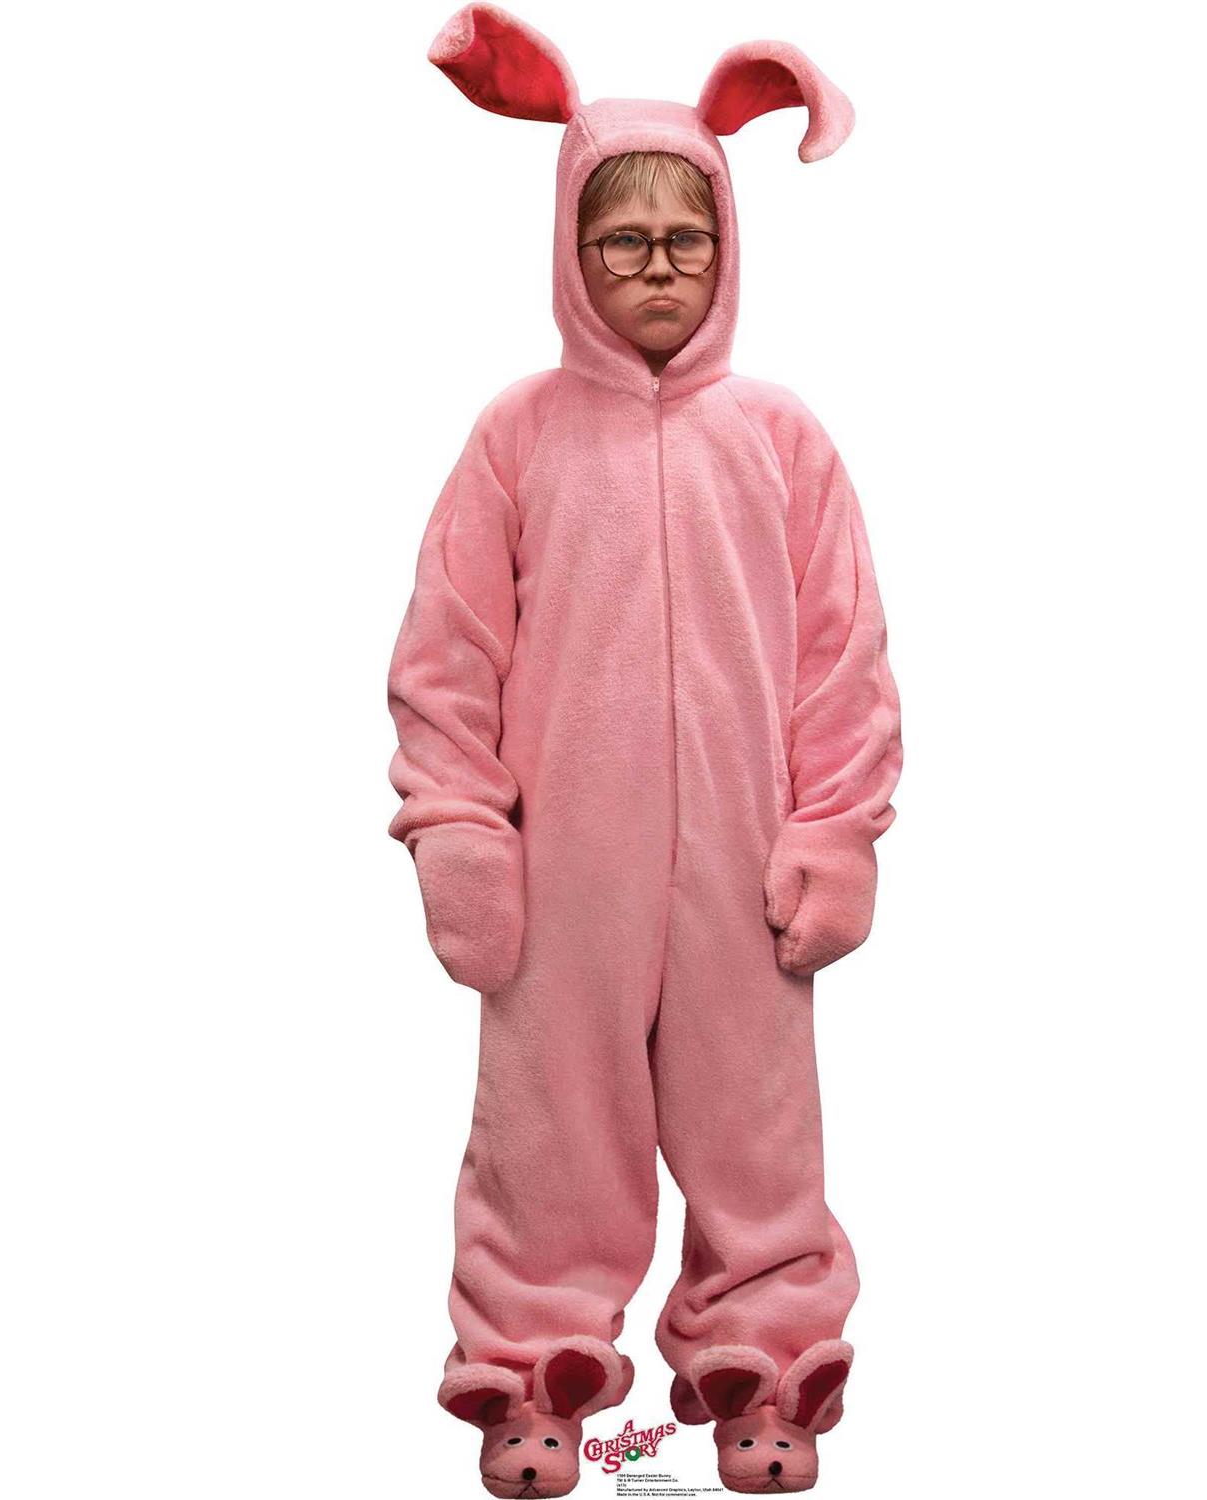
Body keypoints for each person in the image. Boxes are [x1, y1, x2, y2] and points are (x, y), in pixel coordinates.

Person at [386, 7, 903, 1493]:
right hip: (566, 875)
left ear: (730, 247)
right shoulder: (518, 437)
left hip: (748, 869)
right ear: (571, 251)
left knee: (759, 1132)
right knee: (550, 1127)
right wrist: (460, 830)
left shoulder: (784, 439)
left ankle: (767, 1365)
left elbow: (844, 656)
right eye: (623, 241)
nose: (659, 265)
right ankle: (532, 1368)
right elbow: (446, 655)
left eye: (688, 238)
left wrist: (837, 831)